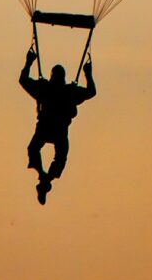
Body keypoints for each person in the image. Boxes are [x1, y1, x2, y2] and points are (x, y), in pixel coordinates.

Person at [19, 46, 97, 203]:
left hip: (49, 128)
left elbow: (23, 80)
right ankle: (45, 178)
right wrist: (88, 73)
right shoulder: (68, 92)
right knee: (57, 156)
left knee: (36, 149)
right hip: (58, 130)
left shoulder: (45, 88)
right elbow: (91, 91)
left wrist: (28, 63)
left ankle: (43, 177)